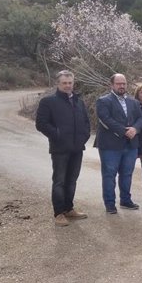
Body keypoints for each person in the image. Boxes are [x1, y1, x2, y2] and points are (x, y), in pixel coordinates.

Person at [36, 70, 91, 227]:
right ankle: (59, 213)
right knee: (59, 181)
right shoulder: (48, 102)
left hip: (77, 148)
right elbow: (41, 124)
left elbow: (86, 123)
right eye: (64, 83)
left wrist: (83, 137)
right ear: (58, 84)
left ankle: (69, 208)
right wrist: (58, 135)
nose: (68, 85)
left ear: (74, 83)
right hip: (60, 149)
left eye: (70, 83)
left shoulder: (79, 101)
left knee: (72, 181)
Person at [94, 73, 142, 214]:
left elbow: (140, 118)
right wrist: (123, 131)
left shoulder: (134, 102)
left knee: (127, 173)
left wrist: (135, 129)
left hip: (131, 144)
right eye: (118, 83)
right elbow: (105, 119)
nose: (122, 86)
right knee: (109, 174)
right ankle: (110, 204)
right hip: (110, 145)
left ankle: (125, 201)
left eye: (124, 83)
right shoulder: (103, 101)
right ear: (112, 85)